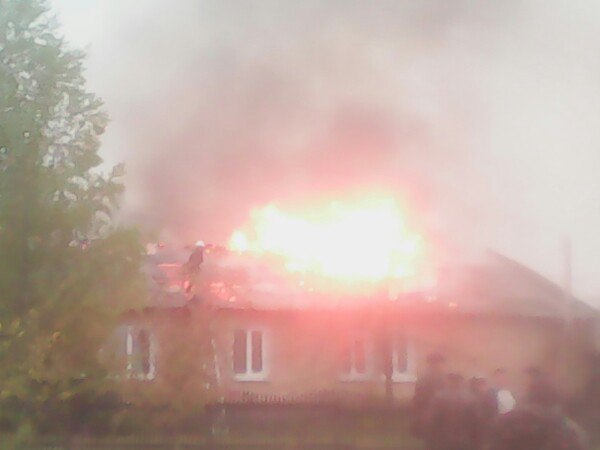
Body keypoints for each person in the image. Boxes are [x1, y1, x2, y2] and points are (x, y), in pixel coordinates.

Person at [428, 373, 478, 450]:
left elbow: (432, 419)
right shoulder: (470, 398)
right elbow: (476, 420)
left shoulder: (439, 397)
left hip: (443, 437)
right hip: (464, 437)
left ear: (448, 381)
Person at [411, 353, 446, 441]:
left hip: (431, 408)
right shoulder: (431, 376)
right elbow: (422, 395)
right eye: (441, 363)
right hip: (430, 408)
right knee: (434, 433)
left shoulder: (428, 375)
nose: (442, 365)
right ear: (435, 363)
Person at [469, 376, 498, 449]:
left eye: (482, 384)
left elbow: (494, 411)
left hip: (487, 426)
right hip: (476, 428)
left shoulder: (491, 397)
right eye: (479, 384)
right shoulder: (473, 397)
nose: (480, 387)